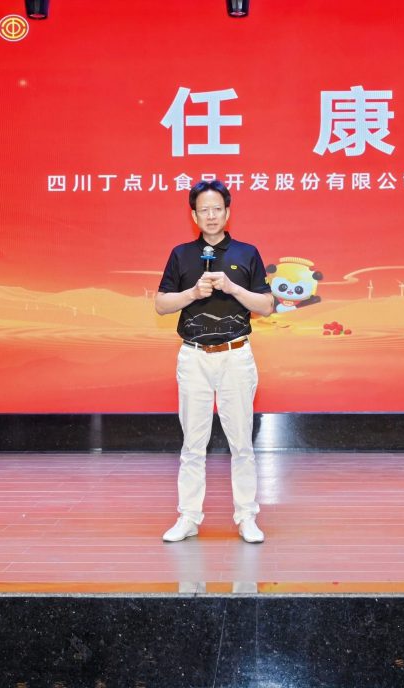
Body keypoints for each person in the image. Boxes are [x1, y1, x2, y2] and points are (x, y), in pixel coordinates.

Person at [155, 179, 274, 544]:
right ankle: (189, 518)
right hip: (194, 357)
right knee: (193, 444)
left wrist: (233, 288)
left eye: (216, 209)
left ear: (227, 212)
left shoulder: (247, 253)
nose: (210, 215)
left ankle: (246, 517)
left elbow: (267, 306)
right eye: (203, 210)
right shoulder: (181, 255)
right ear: (194, 215)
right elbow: (161, 304)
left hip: (235, 356)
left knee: (242, 444)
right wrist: (193, 293)